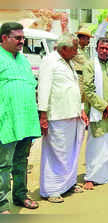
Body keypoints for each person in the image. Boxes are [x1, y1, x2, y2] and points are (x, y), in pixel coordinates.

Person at [37, 33, 89, 203]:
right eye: (74, 49)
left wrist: (81, 109)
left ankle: (68, 184)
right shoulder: (50, 61)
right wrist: (43, 116)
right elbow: (44, 89)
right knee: (56, 153)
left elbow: (74, 88)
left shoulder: (69, 62)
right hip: (57, 116)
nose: (76, 52)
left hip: (72, 114)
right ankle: (52, 190)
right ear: (63, 48)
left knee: (70, 152)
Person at [0, 22, 41, 214]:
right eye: (17, 38)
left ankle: (20, 195)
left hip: (25, 121)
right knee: (4, 164)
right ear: (4, 38)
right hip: (6, 122)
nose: (21, 41)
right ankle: (1, 204)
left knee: (21, 161)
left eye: (22, 38)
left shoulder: (24, 61)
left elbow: (31, 86)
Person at [82, 38, 108, 190]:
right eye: (102, 48)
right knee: (96, 144)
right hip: (98, 112)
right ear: (97, 49)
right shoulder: (90, 65)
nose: (104, 51)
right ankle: (91, 177)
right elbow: (88, 89)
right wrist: (104, 107)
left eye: (107, 48)